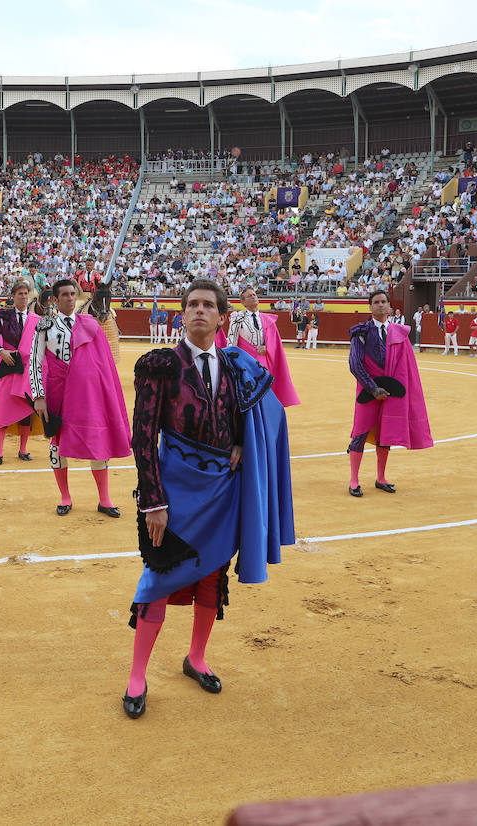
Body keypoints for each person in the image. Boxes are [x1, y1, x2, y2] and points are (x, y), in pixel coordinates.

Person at [123, 278, 294, 719]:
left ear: (222, 317)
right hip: (174, 494)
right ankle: (137, 675)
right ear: (182, 315)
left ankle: (196, 657)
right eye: (192, 305)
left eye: (207, 305)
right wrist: (153, 502)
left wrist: (241, 444)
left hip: (222, 491)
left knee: (211, 579)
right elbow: (141, 438)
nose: (199, 311)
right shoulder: (160, 365)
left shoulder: (238, 367)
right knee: (156, 581)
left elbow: (261, 417)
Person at [29, 279, 132, 517]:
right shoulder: (45, 326)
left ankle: (104, 499)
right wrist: (38, 396)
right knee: (58, 445)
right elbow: (35, 363)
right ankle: (65, 497)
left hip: (87, 395)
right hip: (58, 392)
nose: (70, 298)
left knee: (97, 439)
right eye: (64, 294)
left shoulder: (89, 324)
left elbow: (101, 364)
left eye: (72, 294)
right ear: (55, 299)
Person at [346, 290, 433, 496]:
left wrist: (393, 389)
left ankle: (381, 477)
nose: (380, 305)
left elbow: (405, 367)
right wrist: (373, 388)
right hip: (368, 391)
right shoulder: (362, 332)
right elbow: (355, 364)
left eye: (384, 302)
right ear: (370, 307)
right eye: (376, 302)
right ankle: (354, 479)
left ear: (389, 306)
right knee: (360, 433)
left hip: (391, 392)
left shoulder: (398, 332)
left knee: (385, 434)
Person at [0, 281, 42, 465]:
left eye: (26, 293)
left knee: (26, 411)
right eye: (20, 293)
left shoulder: (36, 319)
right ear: (13, 296)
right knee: (3, 410)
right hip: (9, 369)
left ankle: (23, 449)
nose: (24, 296)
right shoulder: (3, 316)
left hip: (26, 371)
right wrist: (1, 352)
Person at [228, 287, 299, 407]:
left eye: (254, 294)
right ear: (243, 302)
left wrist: (266, 347)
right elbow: (231, 343)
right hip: (246, 364)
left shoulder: (266, 319)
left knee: (266, 395)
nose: (253, 297)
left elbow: (274, 342)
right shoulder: (237, 318)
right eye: (249, 296)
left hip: (264, 362)